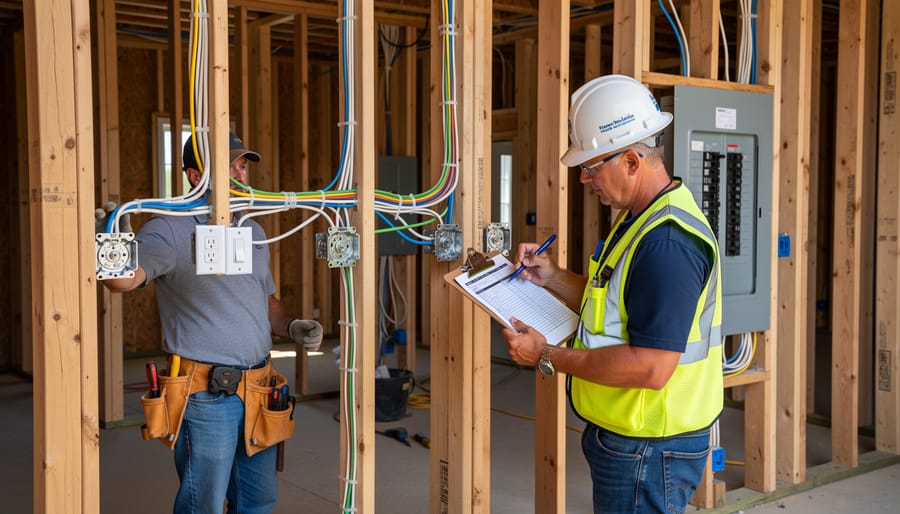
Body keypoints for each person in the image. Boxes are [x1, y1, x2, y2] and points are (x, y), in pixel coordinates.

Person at [502, 75, 723, 513]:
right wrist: (552, 277)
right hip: (631, 436)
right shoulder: (640, 218)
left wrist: (545, 355)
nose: (585, 179)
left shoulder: (666, 243)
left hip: (649, 444)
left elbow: (651, 367)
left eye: (592, 166)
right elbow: (618, 304)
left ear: (631, 161)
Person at [102, 132, 323, 514]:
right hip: (205, 396)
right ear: (193, 175)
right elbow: (122, 281)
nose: (241, 173)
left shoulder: (252, 230)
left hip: (259, 388)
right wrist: (108, 235)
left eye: (243, 165)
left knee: (258, 501)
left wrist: (291, 325)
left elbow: (266, 302)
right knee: (200, 504)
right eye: (231, 165)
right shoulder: (168, 230)